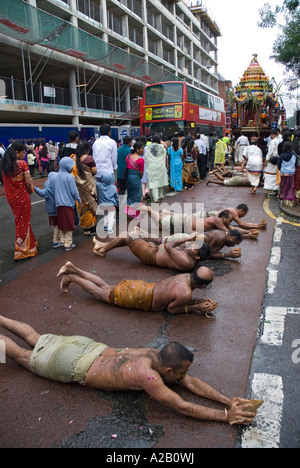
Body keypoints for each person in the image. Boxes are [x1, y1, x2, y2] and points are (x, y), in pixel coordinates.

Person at [0, 314, 258, 425]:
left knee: (35, 337)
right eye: (179, 373)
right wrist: (225, 416)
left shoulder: (153, 354)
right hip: (74, 364)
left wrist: (227, 400)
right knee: (22, 356)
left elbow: (189, 383)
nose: (184, 378)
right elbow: (182, 406)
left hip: (86, 346)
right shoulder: (149, 378)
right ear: (167, 371)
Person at [57, 261, 216, 315]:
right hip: (138, 297)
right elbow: (172, 309)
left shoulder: (185, 276)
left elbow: (178, 297)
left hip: (140, 287)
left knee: (105, 286)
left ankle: (73, 268)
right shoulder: (186, 294)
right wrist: (197, 307)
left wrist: (198, 300)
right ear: (202, 285)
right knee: (99, 293)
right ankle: (72, 277)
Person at [93, 229, 212, 272]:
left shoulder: (187, 262)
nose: (192, 247)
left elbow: (168, 247)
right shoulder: (194, 257)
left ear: (197, 257)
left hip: (150, 254)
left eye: (195, 248)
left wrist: (188, 237)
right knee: (130, 238)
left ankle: (102, 249)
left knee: (126, 235)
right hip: (153, 250)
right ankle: (103, 245)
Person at [1, 142, 38, 261]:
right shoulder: (22, 164)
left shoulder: (5, 164)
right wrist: (30, 190)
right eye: (23, 153)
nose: (24, 155)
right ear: (16, 152)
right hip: (22, 196)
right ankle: (21, 249)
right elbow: (28, 183)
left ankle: (31, 244)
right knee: (22, 221)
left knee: (22, 220)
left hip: (11, 197)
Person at [140, 205, 234, 236]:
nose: (230, 223)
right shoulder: (217, 220)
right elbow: (228, 232)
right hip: (183, 222)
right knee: (160, 223)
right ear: (223, 218)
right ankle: (149, 209)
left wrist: (247, 233)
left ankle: (161, 213)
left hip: (185, 221)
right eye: (229, 220)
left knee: (161, 224)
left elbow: (230, 228)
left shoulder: (218, 221)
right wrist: (246, 235)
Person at [53, 157, 81, 251]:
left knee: (62, 224)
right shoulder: (69, 177)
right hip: (68, 203)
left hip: (58, 204)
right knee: (69, 224)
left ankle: (63, 240)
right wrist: (79, 200)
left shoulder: (56, 176)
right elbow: (74, 192)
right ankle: (68, 244)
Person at [160, 229, 243, 261]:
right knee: (158, 242)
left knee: (159, 242)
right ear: (233, 238)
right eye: (235, 243)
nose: (233, 246)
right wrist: (229, 255)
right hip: (182, 241)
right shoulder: (221, 238)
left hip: (186, 240)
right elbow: (210, 255)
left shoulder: (224, 235)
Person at [72, 142, 98, 236]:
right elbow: (94, 171)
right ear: (87, 150)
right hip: (88, 186)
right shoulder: (89, 158)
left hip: (78, 187)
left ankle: (85, 229)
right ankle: (91, 228)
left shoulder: (74, 158)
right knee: (91, 203)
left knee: (82, 205)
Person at [33, 172, 62, 248]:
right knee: (57, 227)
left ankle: (59, 239)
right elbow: (41, 192)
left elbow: (41, 192)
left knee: (57, 226)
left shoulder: (49, 189)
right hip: (55, 211)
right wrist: (34, 188)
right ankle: (55, 242)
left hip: (52, 211)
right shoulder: (53, 189)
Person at [124, 141, 145, 218]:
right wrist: (138, 179)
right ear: (137, 149)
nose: (143, 150)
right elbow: (141, 173)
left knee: (130, 195)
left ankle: (128, 212)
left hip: (127, 179)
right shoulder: (141, 160)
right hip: (135, 179)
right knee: (137, 196)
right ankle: (134, 214)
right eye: (142, 148)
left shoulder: (128, 156)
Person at [145, 134, 168, 202]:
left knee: (153, 182)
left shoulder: (148, 147)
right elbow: (164, 154)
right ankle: (160, 195)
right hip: (160, 166)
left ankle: (155, 197)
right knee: (160, 181)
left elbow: (146, 157)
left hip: (151, 167)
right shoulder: (161, 147)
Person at [277, 141, 297, 207]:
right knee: (290, 188)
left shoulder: (282, 155)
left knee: (283, 187)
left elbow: (279, 165)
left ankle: (283, 199)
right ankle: (290, 201)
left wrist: (282, 170)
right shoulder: (294, 156)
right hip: (291, 174)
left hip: (283, 174)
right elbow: (296, 164)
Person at [263, 130, 280, 194]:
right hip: (277, 159)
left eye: (272, 135)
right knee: (275, 174)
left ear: (275, 134)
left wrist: (266, 160)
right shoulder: (280, 140)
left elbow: (270, 152)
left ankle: (269, 189)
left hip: (271, 160)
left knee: (268, 174)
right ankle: (275, 188)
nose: (271, 136)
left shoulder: (273, 142)